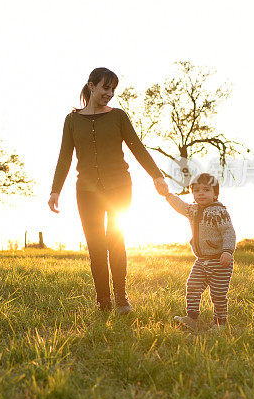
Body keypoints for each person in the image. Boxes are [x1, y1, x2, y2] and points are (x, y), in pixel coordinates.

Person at [49, 67, 169, 313]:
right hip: (87, 191)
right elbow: (64, 157)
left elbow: (137, 147)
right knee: (95, 246)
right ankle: (103, 301)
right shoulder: (72, 121)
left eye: (113, 89)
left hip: (119, 188)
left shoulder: (118, 117)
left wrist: (157, 175)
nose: (110, 93)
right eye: (105, 87)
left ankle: (122, 299)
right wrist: (55, 191)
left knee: (116, 241)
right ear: (91, 86)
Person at [162, 172, 236, 331]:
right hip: (201, 261)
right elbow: (180, 205)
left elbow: (228, 232)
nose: (201, 193)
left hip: (220, 261)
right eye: (196, 190)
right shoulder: (193, 210)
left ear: (215, 194)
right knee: (193, 286)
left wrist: (227, 251)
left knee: (218, 294)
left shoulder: (219, 212)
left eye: (206, 190)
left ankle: (220, 323)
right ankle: (191, 318)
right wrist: (167, 194)